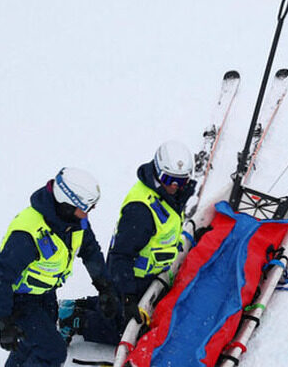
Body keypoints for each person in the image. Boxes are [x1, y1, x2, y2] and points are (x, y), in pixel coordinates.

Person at [60, 140, 197, 345]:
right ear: (157, 171)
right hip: (130, 275)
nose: (174, 186)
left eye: (181, 181)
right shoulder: (141, 211)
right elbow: (120, 255)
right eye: (169, 179)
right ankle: (75, 321)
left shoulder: (171, 196)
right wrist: (128, 297)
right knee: (129, 331)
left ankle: (79, 306)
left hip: (151, 274)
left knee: (130, 310)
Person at [0, 167, 116, 367]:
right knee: (52, 352)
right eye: (86, 207)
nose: (89, 213)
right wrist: (4, 322)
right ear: (66, 204)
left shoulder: (75, 222)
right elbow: (0, 275)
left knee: (31, 344)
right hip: (19, 300)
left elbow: (90, 250)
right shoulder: (28, 234)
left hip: (45, 294)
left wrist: (105, 287)